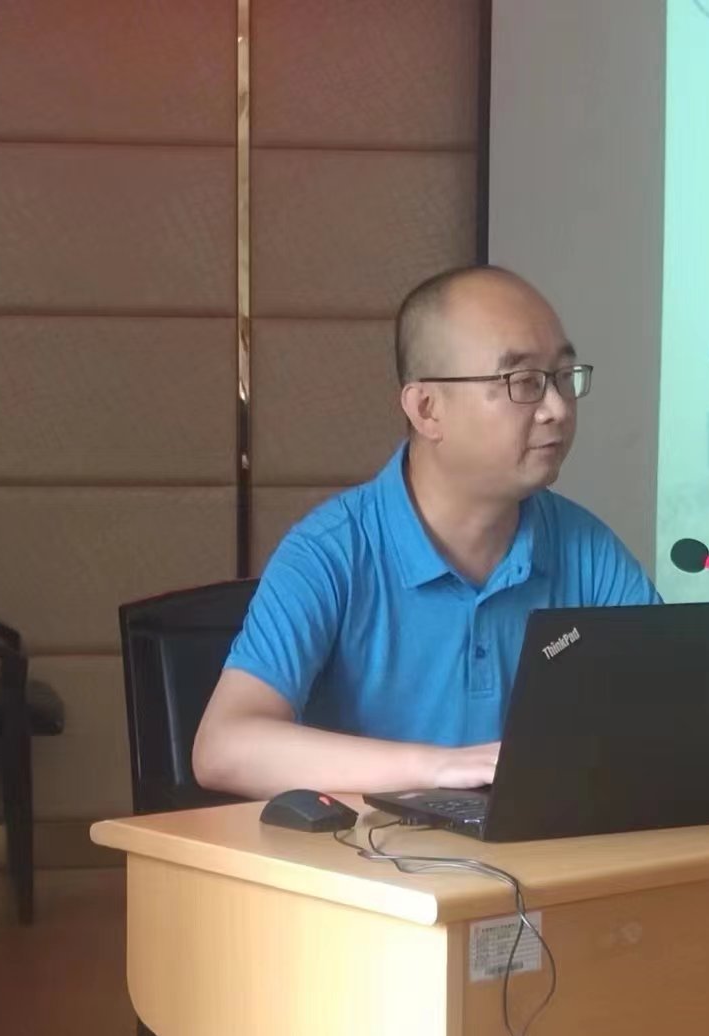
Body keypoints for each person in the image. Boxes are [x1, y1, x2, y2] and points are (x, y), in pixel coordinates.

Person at [192, 265, 661, 799]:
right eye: (525, 382)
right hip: (372, 850)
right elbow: (223, 748)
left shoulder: (585, 548)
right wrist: (442, 769)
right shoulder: (331, 552)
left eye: (563, 376)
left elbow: (672, 710)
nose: (556, 409)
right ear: (426, 409)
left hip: (535, 849)